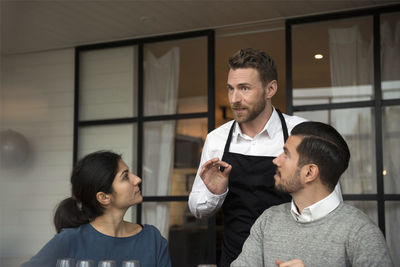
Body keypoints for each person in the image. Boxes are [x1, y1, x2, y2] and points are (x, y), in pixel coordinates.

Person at [188, 48, 341, 266]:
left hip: (291, 259)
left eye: (244, 88)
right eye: (231, 89)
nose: (234, 99)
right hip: (236, 259)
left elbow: (332, 207)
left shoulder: (300, 132)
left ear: (270, 89)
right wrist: (216, 194)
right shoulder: (217, 139)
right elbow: (197, 209)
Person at [231, 121, 393, 267]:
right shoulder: (268, 220)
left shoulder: (361, 232)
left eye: (286, 154)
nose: (276, 160)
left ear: (309, 172)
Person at [21, 151, 171, 267]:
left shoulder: (152, 239)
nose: (137, 179)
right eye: (125, 176)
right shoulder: (69, 240)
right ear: (104, 197)